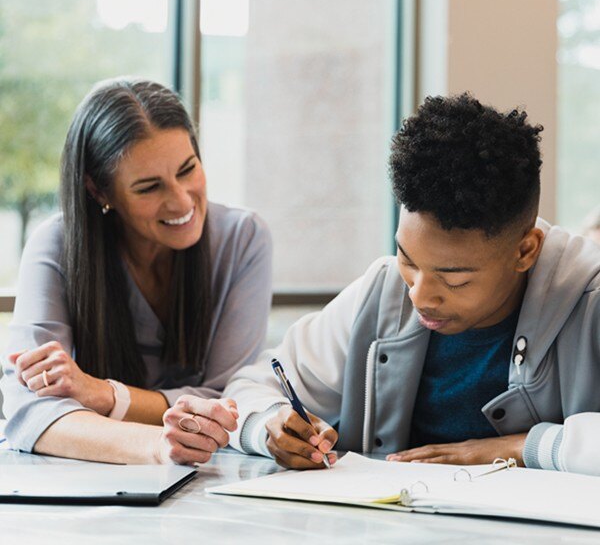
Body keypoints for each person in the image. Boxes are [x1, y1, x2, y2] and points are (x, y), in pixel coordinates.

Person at [224, 93, 600, 475]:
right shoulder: (382, 293)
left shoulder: (590, 299)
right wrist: (270, 425)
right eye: (408, 259)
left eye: (454, 278)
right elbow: (248, 389)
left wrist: (525, 447)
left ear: (526, 251)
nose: (419, 295)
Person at [0, 77, 272, 465]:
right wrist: (159, 445)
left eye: (187, 169)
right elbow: (28, 410)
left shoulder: (244, 238)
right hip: (81, 480)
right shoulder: (57, 245)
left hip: (206, 478)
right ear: (99, 191)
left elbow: (228, 400)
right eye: (149, 188)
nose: (181, 201)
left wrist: (103, 394)